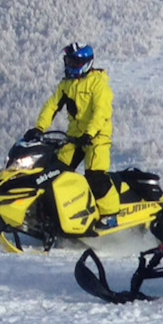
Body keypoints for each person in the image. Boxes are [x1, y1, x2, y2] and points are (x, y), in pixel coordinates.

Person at [33, 43, 121, 222]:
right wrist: (39, 128)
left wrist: (89, 134)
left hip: (97, 138)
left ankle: (111, 216)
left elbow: (101, 112)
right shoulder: (67, 85)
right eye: (68, 62)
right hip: (74, 137)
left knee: (95, 176)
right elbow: (52, 106)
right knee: (55, 171)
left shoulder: (98, 84)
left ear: (85, 63)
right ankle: (57, 213)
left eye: (73, 62)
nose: (69, 66)